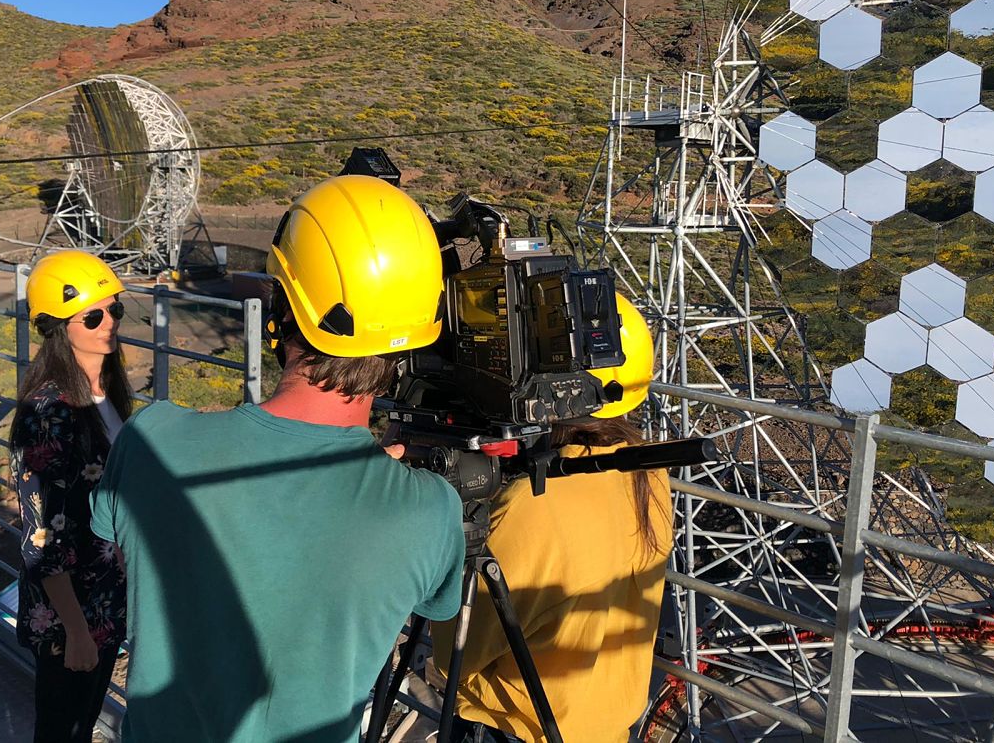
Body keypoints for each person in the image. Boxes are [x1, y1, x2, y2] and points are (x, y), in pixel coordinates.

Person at [90, 175, 467, 743]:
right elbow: (435, 605)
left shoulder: (151, 441)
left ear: (281, 308)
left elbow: (119, 538)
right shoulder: (429, 510)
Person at [432, 294, 674, 743]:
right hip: (608, 727)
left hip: (525, 728)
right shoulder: (649, 473)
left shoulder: (536, 502)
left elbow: (455, 653)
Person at [10, 250, 133, 743]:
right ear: (59, 326)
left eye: (115, 309)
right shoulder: (48, 413)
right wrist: (77, 629)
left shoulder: (105, 395)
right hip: (72, 612)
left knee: (79, 727)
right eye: (94, 315)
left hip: (105, 598)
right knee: (62, 731)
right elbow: (40, 534)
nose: (110, 323)